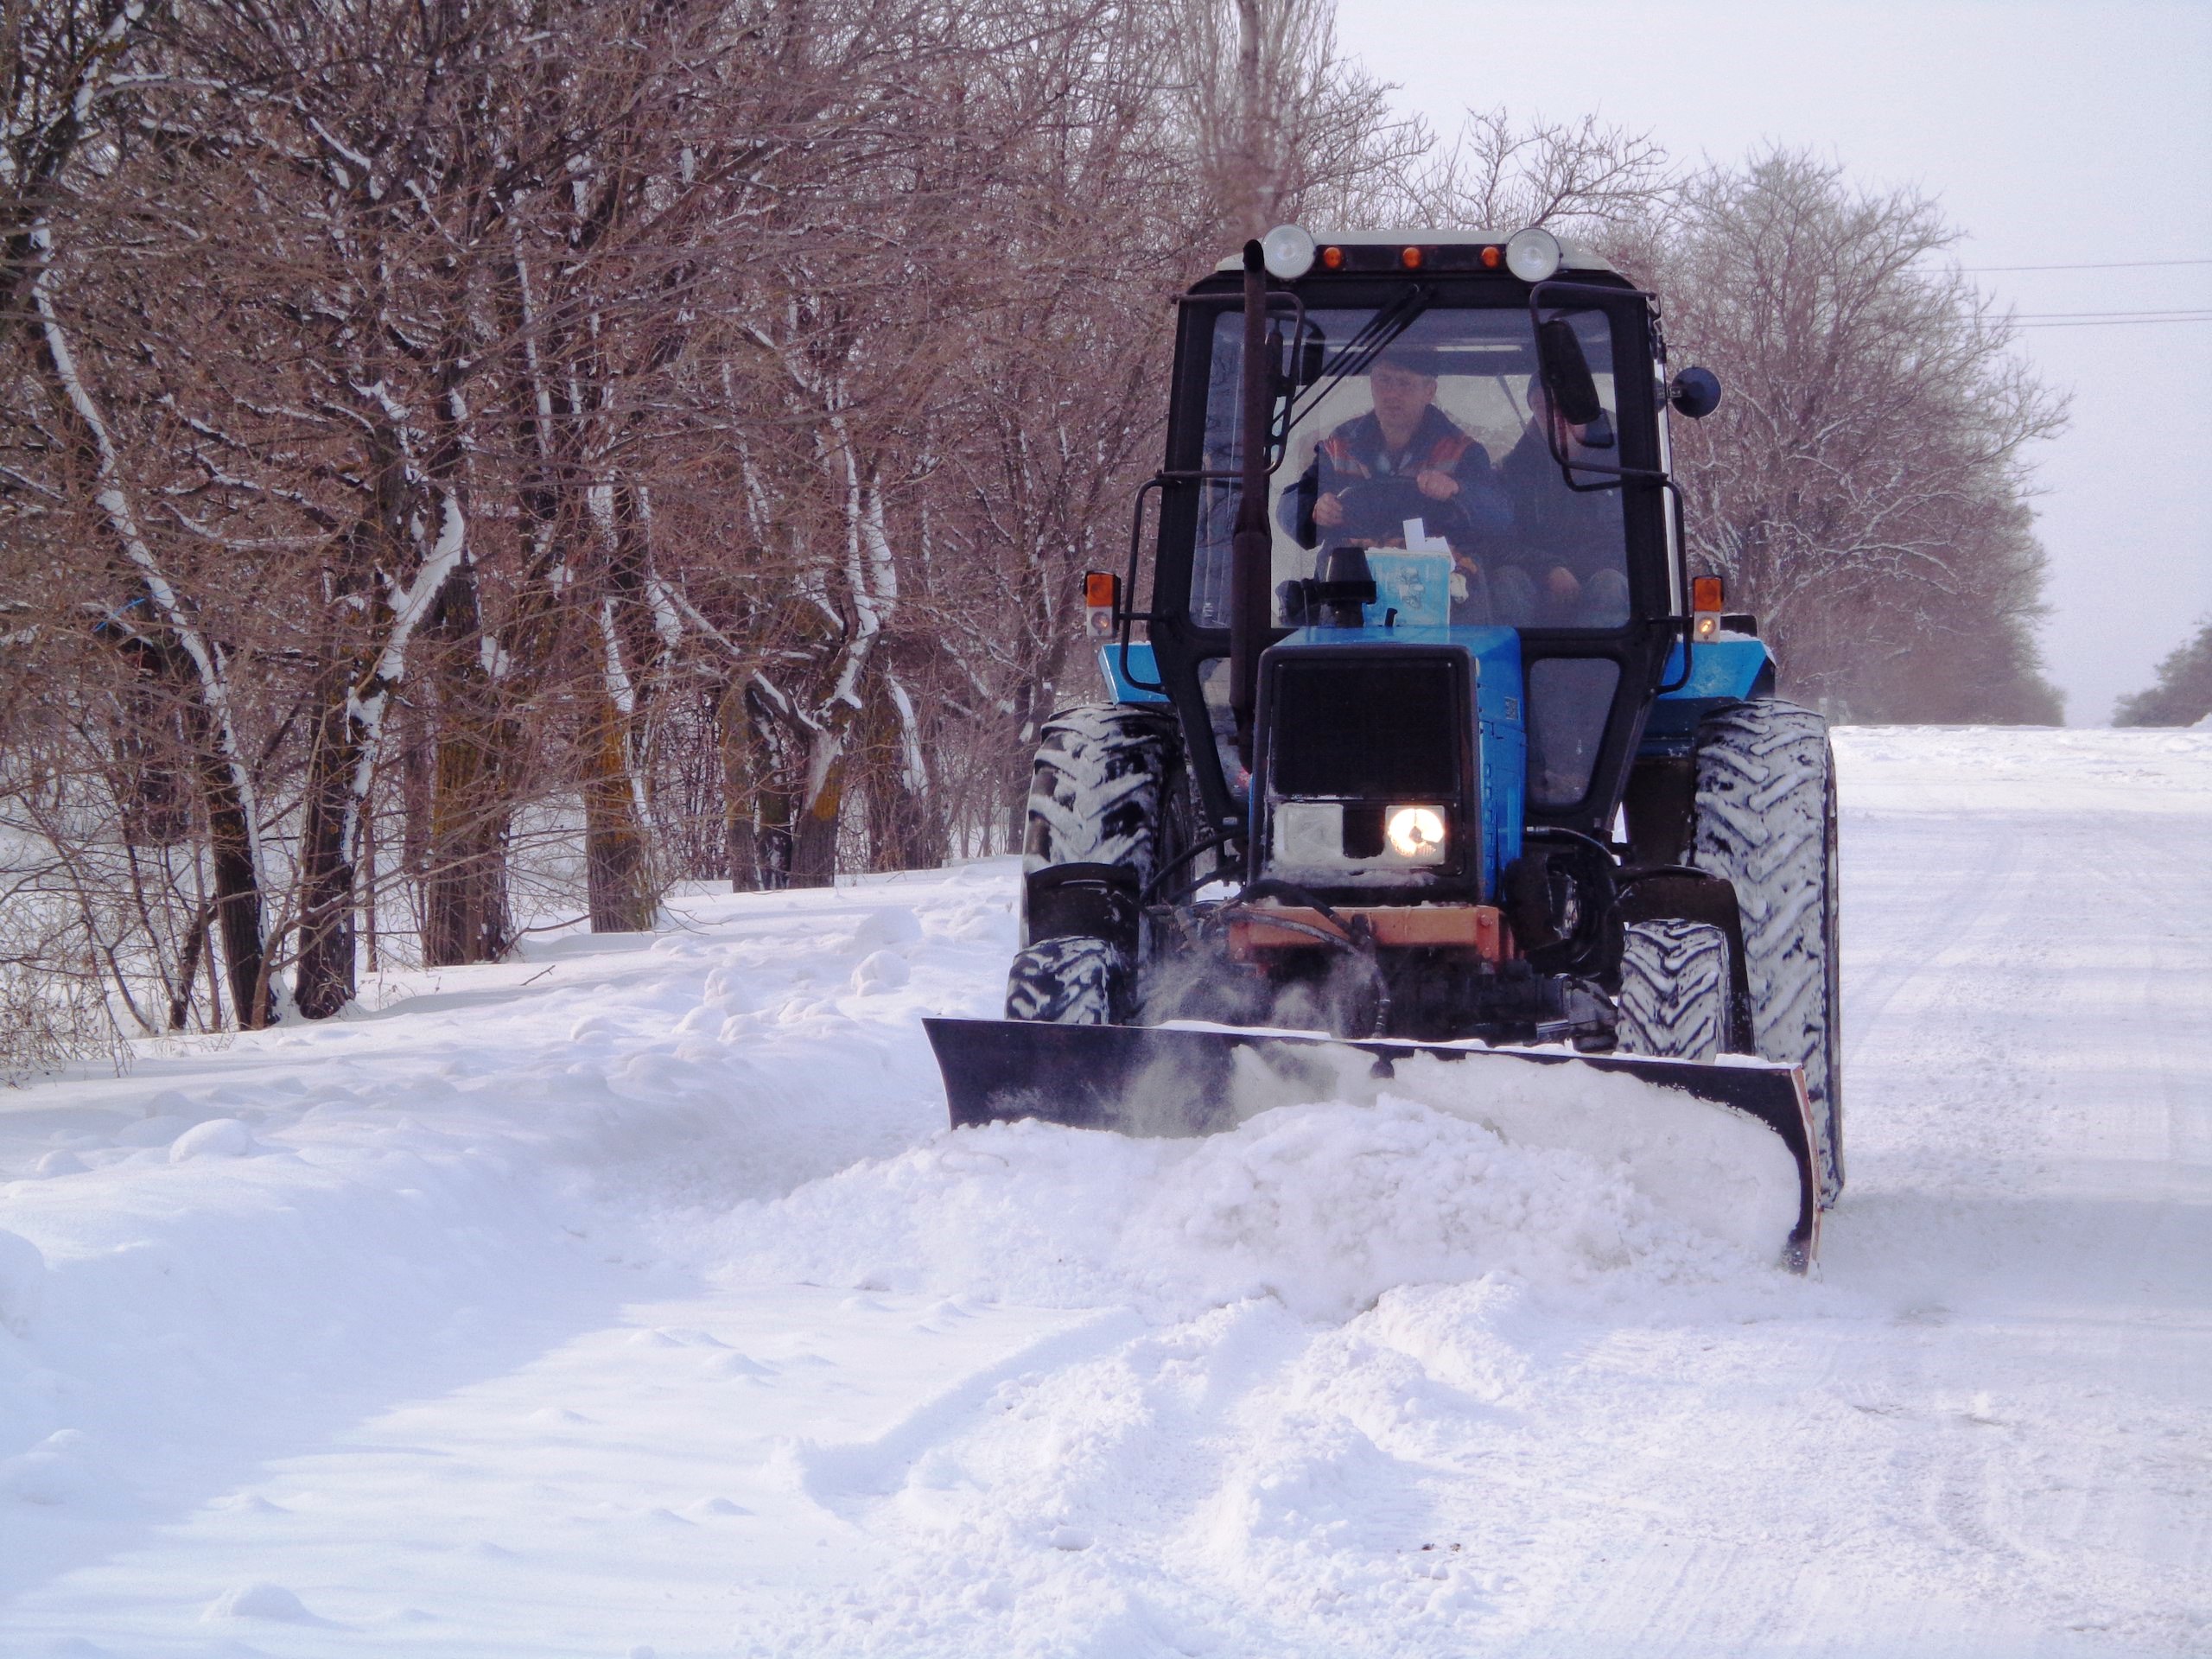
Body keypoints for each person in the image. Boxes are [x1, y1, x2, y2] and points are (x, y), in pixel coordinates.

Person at [1280, 346, 1511, 614]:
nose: (1392, 394)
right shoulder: (1339, 444)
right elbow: (1292, 503)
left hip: (1439, 588)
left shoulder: (1463, 451)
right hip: (1351, 586)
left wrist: (1458, 490)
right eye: (1384, 381)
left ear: (1430, 391)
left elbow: (1501, 517)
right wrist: (1315, 509)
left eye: (1404, 383)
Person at [1492, 379, 1631, 627]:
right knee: (1507, 579)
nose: (1555, 415)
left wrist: (1578, 573)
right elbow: (1502, 540)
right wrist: (1549, 569)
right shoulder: (1516, 470)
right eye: (1542, 407)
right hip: (1541, 578)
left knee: (1611, 584)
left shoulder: (1629, 459)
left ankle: (1597, 663)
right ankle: (1514, 661)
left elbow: (1641, 541)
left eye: (1562, 404)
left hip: (1605, 579)